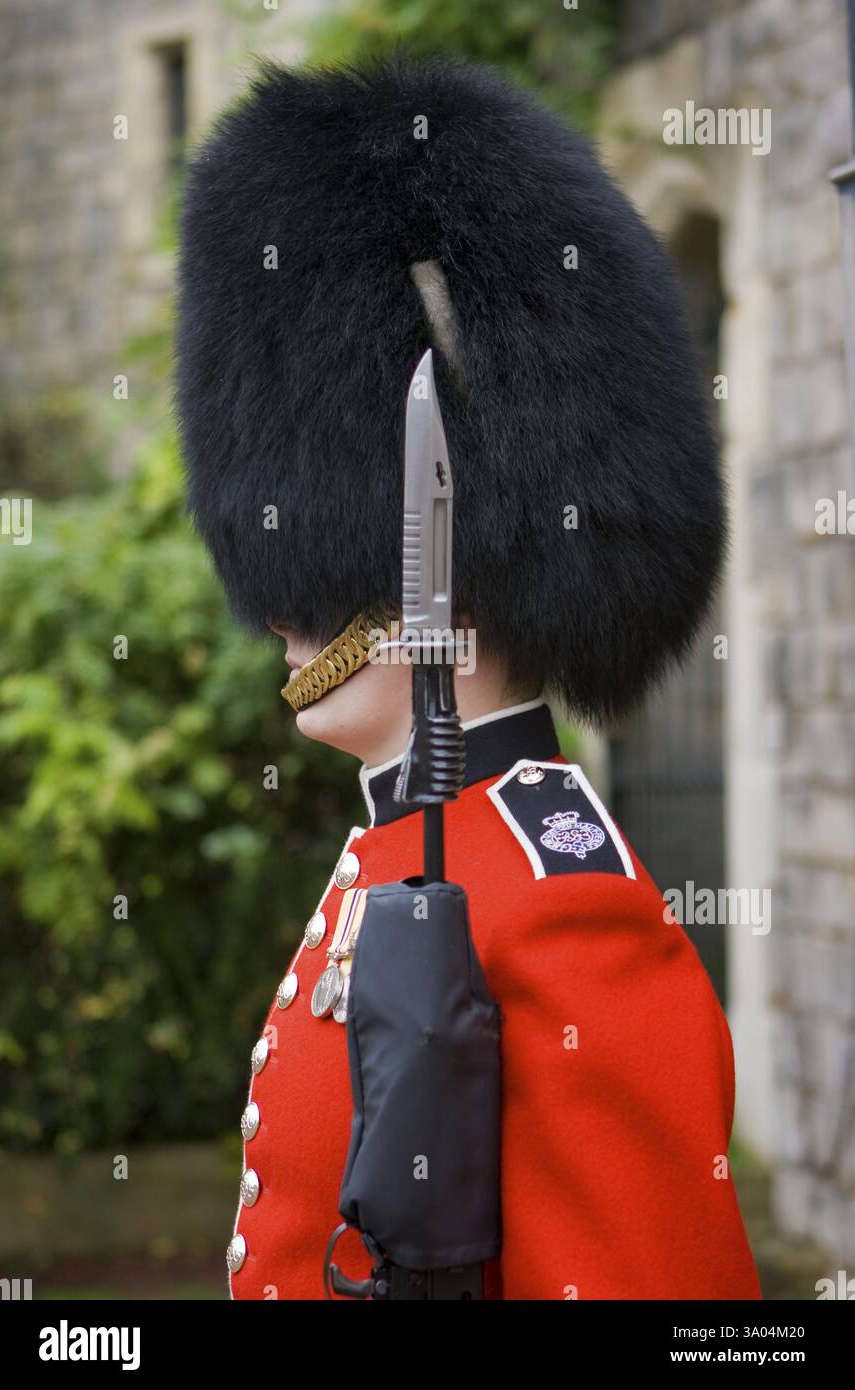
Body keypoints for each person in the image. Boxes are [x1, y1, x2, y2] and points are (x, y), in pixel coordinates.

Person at [176, 56, 762, 1300]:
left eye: (323, 574)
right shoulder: (394, 856)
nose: (282, 616)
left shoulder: (557, 902)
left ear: (456, 575)